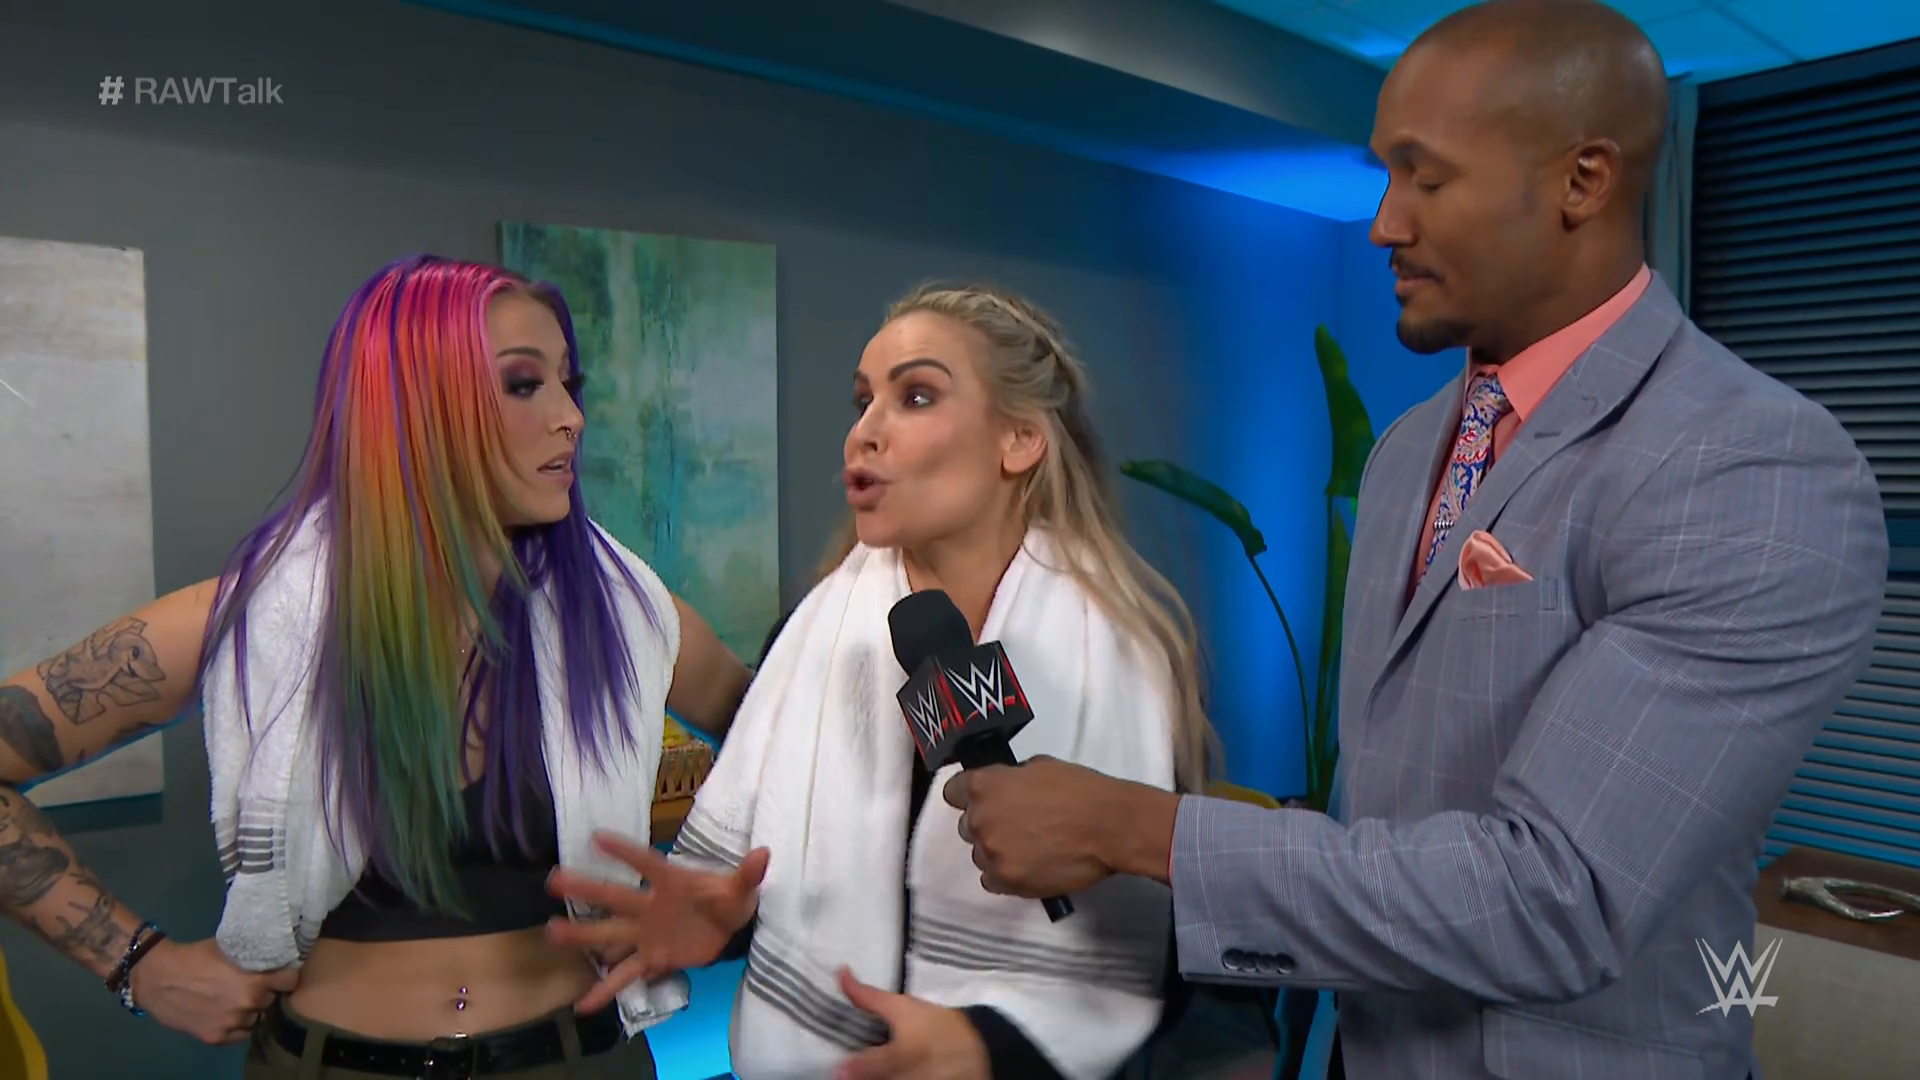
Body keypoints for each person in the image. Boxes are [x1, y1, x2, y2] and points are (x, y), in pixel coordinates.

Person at [938, 3, 1889, 1079]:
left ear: (1583, 181)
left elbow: (1557, 898)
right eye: (1385, 175)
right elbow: (1397, 804)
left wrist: (1139, 830)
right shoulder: (1404, 453)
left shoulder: (1751, 466)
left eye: (1426, 178)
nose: (1383, 224)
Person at [0, 255, 751, 1078]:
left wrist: (726, 907)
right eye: (524, 384)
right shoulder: (255, 619)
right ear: (413, 407)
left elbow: (801, 758)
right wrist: (139, 965)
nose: (571, 417)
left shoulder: (625, 617)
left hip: (579, 1060)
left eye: (570, 385)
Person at [546, 282, 1214, 1080]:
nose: (864, 432)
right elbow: (787, 889)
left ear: (1019, 441)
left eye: (916, 396)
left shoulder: (1121, 656)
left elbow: (1163, 951)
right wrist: (725, 923)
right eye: (863, 401)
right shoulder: (810, 641)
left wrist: (988, 1049)